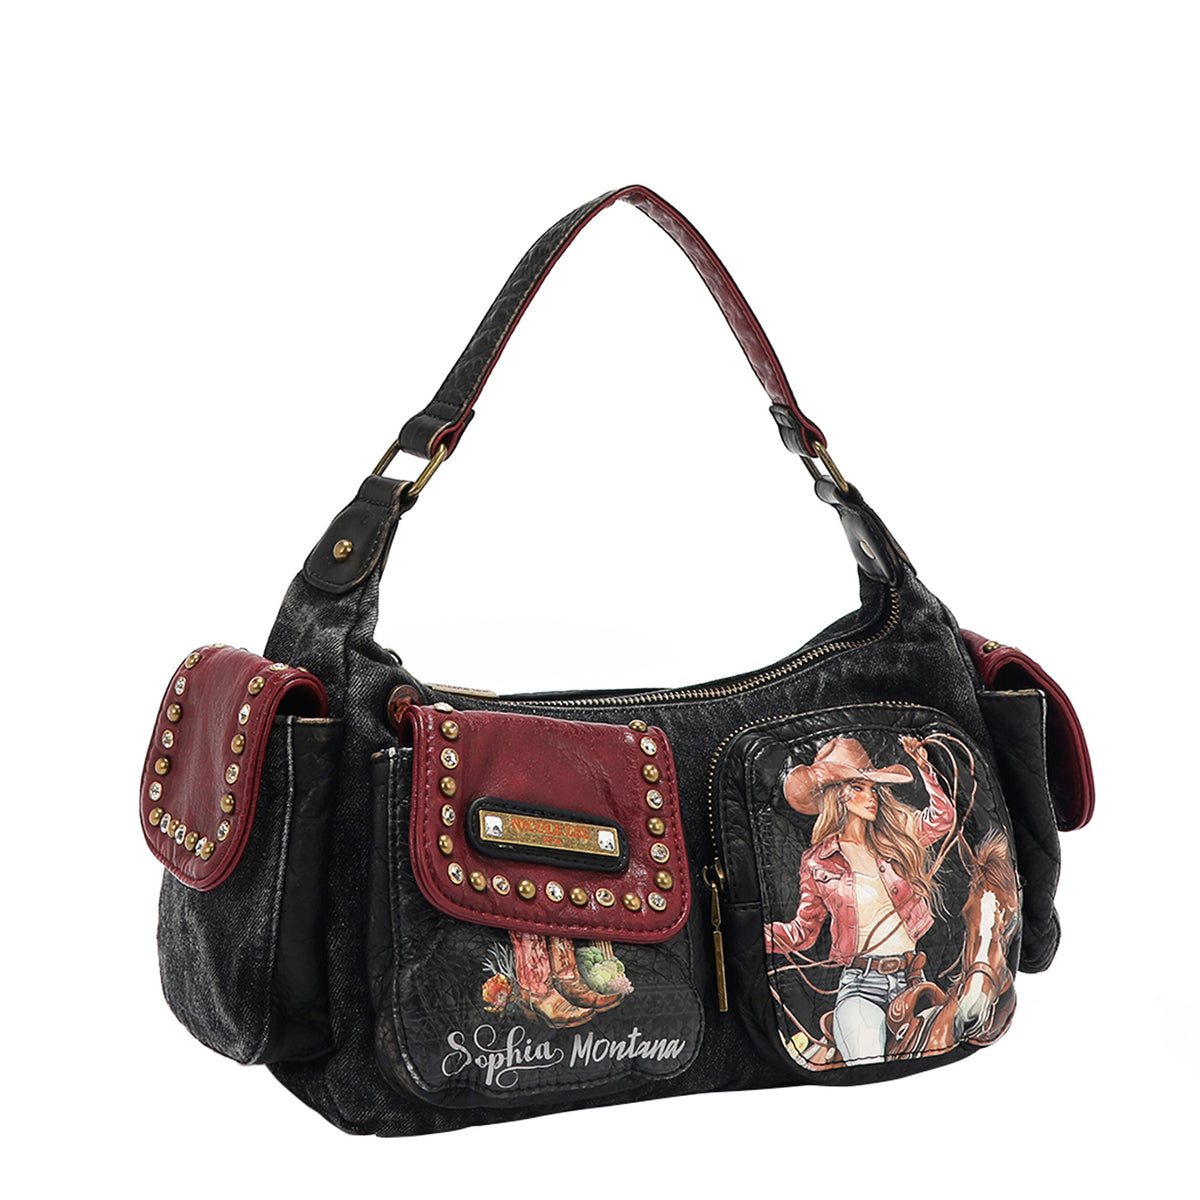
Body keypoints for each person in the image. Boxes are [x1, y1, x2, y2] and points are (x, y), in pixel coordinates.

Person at [764, 735, 954, 1064]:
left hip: (913, 979)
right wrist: (757, 936)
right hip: (861, 986)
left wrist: (925, 768)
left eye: (873, 789)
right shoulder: (818, 862)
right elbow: (803, 931)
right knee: (867, 1062)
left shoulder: (897, 840)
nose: (871, 797)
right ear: (837, 795)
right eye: (858, 788)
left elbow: (943, 818)